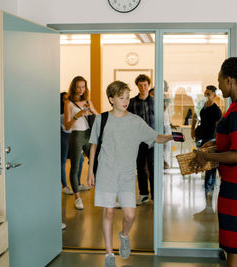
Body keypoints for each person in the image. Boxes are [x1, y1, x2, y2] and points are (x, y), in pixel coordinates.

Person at [191, 57, 237, 267]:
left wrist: (206, 156)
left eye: (220, 79)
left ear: (229, 80)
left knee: (234, 246)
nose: (219, 85)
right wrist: (215, 144)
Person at [88, 81, 172, 267]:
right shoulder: (101, 119)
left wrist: (171, 136)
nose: (126, 101)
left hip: (126, 175)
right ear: (111, 99)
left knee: (130, 216)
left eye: (127, 97)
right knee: (108, 212)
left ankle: (124, 235)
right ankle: (109, 254)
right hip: (106, 173)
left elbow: (155, 137)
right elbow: (93, 145)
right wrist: (90, 172)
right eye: (121, 97)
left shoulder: (135, 121)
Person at [64, 76, 98, 210]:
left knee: (96, 162)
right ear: (73, 87)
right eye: (78, 87)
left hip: (89, 134)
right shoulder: (69, 103)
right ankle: (77, 198)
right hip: (76, 135)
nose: (80, 90)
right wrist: (76, 116)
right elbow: (67, 126)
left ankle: (105, 193)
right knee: (75, 167)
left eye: (83, 87)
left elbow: (98, 116)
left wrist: (92, 110)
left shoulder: (88, 101)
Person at [127, 74, 155, 203]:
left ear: (148, 85)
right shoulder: (132, 102)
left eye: (145, 85)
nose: (143, 87)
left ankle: (155, 195)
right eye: (140, 85)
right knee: (140, 166)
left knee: (153, 166)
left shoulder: (155, 101)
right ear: (137, 86)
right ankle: (143, 194)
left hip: (153, 139)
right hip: (137, 140)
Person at [191, 85, 222, 195]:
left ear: (214, 95)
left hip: (210, 139)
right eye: (205, 94)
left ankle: (209, 187)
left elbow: (219, 127)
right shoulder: (201, 105)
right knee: (202, 163)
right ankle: (207, 185)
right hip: (200, 137)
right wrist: (192, 130)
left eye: (208, 94)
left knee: (210, 165)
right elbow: (195, 117)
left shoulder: (217, 110)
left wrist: (217, 141)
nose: (206, 96)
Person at [60, 92, 87, 195]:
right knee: (63, 161)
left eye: (68, 98)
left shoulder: (73, 107)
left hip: (75, 136)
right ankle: (65, 186)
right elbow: (66, 126)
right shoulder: (62, 113)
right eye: (65, 98)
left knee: (80, 160)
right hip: (65, 137)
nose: (67, 100)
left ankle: (78, 184)